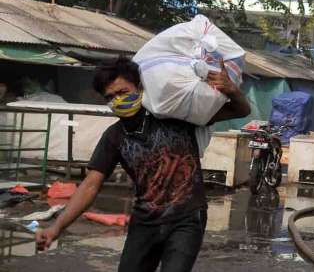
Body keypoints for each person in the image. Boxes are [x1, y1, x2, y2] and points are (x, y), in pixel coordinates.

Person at [35, 57, 251, 272]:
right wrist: (57, 227)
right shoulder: (114, 136)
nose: (117, 100)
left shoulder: (174, 115)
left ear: (139, 87)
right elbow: (91, 184)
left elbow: (240, 110)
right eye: (110, 97)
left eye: (122, 92)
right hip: (145, 222)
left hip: (186, 219)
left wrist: (232, 90)